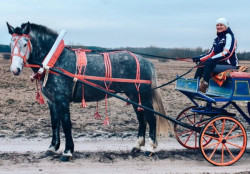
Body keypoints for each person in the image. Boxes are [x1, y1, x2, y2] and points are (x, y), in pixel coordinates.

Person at [192, 18, 238, 93]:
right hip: (220, 63)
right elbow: (211, 53)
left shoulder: (229, 36)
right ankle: (194, 84)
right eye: (217, 25)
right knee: (201, 64)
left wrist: (211, 59)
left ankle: (205, 85)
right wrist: (199, 59)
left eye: (221, 25)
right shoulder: (216, 39)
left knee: (208, 64)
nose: (219, 27)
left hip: (230, 64)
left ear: (226, 26)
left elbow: (227, 53)